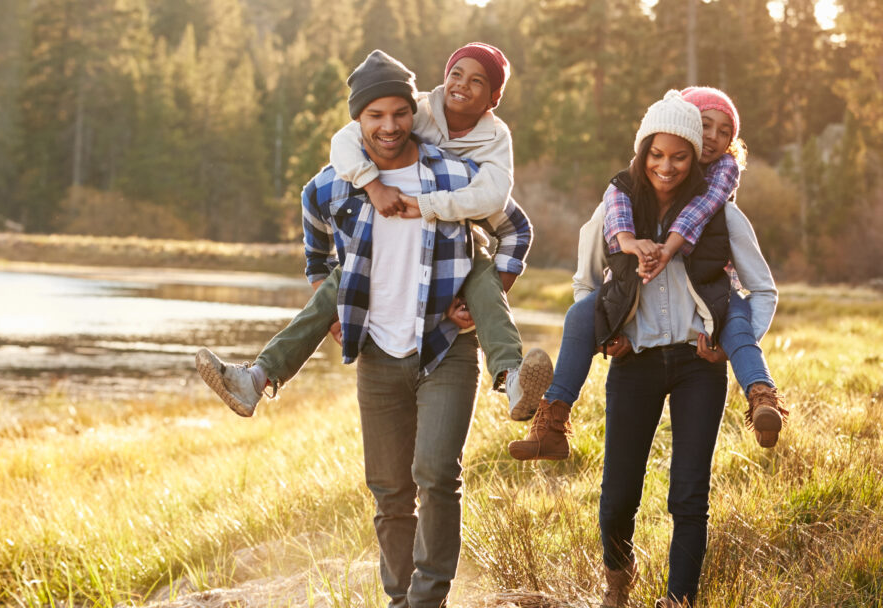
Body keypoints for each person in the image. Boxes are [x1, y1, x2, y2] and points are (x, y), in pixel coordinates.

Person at [205, 50, 532, 607]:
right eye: (373, 116)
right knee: (388, 491)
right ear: (357, 120)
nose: (388, 126)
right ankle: (398, 598)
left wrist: (489, 291)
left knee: (435, 475)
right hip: (378, 351)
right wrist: (328, 299)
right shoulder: (337, 183)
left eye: (399, 114)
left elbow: (515, 226)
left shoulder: (454, 173)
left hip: (444, 347)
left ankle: (428, 599)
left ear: (414, 112)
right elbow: (313, 228)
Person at [196, 43, 550, 424]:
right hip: (382, 248)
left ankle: (512, 378)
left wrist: (483, 295)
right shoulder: (417, 112)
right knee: (338, 284)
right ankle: (256, 378)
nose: (461, 85)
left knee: (483, 279)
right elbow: (345, 141)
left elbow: (501, 203)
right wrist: (372, 185)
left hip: (460, 245)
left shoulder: (493, 142)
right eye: (456, 74)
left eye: (477, 80)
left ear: (494, 97)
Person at [508, 86, 786, 462]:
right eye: (705, 126)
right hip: (634, 327)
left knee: (735, 319)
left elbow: (702, 214)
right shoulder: (624, 192)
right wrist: (609, 329)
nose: (714, 139)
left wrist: (667, 248)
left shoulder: (719, 189)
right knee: (579, 315)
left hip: (709, 302)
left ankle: (762, 395)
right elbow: (592, 264)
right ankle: (552, 418)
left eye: (725, 132)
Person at [574, 91, 773, 607]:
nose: (669, 165)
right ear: (646, 152)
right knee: (618, 494)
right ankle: (618, 576)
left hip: (697, 365)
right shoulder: (617, 208)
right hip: (634, 363)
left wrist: (733, 346)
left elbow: (763, 290)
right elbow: (584, 283)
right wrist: (606, 333)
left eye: (681, 155)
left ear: (693, 159)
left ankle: (678, 599)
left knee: (689, 493)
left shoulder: (722, 216)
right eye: (659, 154)